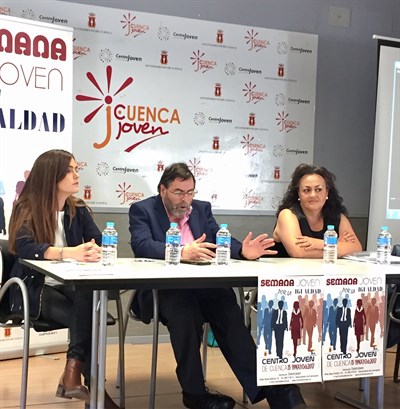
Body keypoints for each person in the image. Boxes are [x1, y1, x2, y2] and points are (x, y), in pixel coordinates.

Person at [129, 162, 307, 409]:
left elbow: (219, 238)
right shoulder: (143, 209)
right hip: (164, 289)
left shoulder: (201, 209)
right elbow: (141, 245)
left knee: (228, 309)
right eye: (178, 192)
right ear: (163, 190)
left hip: (204, 286)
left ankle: (275, 389)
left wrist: (243, 251)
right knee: (185, 314)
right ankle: (195, 395)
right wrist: (181, 251)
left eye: (190, 192)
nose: (185, 200)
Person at [8, 149, 119, 409]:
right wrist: (69, 252)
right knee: (89, 320)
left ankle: (73, 372)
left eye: (76, 169)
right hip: (35, 288)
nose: (76, 175)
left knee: (88, 295)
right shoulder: (26, 207)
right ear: (52, 175)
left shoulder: (77, 209)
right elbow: (24, 248)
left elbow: (98, 240)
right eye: (69, 170)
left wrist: (94, 250)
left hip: (71, 285)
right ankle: (94, 392)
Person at [271, 163, 362, 258]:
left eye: (318, 190)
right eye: (307, 190)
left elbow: (356, 248)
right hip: (290, 268)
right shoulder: (287, 215)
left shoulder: (337, 216)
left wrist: (318, 244)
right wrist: (336, 245)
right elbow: (299, 252)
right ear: (298, 193)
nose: (313, 195)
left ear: (327, 192)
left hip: (327, 268)